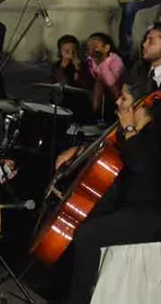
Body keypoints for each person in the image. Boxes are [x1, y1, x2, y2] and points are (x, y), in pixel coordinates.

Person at [54, 82, 161, 303]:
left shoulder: (154, 132)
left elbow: (139, 165)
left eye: (124, 99)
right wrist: (78, 150)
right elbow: (106, 148)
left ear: (140, 106)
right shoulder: (128, 132)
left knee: (87, 235)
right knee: (80, 220)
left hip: (150, 214)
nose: (118, 102)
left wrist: (129, 127)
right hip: (126, 206)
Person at [87, 32, 125, 115]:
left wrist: (102, 62)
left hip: (118, 85)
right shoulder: (91, 59)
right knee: (97, 84)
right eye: (89, 47)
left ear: (106, 48)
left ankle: (121, 110)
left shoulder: (115, 60)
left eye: (95, 47)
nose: (92, 50)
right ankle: (95, 113)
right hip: (102, 84)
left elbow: (111, 82)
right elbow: (95, 75)